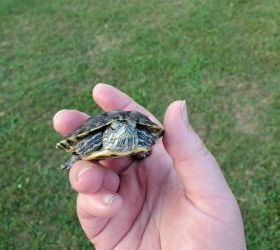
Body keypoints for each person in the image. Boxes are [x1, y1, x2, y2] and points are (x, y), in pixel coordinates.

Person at [53, 83, 247, 250]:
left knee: (90, 178)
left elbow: (151, 136)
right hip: (106, 148)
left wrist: (143, 145)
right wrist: (78, 153)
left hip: (136, 152)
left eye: (129, 126)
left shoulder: (139, 136)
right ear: (108, 131)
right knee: (87, 174)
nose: (125, 127)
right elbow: (82, 141)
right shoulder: (99, 135)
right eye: (117, 127)